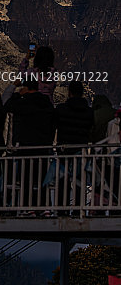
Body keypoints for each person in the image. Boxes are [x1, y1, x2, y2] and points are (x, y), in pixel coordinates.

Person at [5, 76, 56, 214]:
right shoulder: (46, 104)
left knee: (26, 178)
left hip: (26, 146)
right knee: (42, 178)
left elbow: (7, 105)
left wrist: (16, 93)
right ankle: (44, 206)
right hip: (43, 146)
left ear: (26, 88)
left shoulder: (23, 103)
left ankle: (28, 207)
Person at [54, 81, 93, 211]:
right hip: (80, 149)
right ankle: (78, 209)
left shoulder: (61, 109)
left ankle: (62, 208)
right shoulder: (88, 112)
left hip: (64, 149)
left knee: (62, 180)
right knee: (79, 180)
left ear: (69, 92)